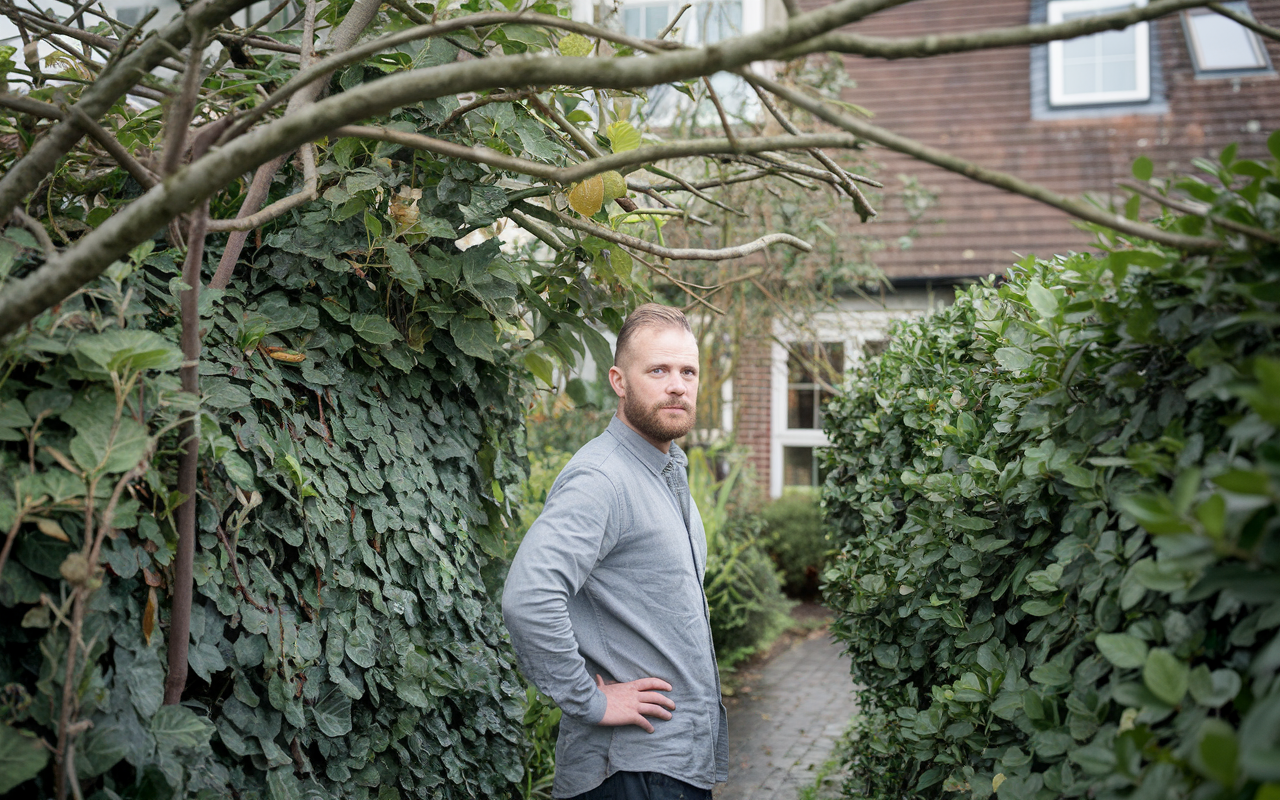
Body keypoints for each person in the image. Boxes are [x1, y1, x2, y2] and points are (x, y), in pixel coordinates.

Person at [503, 303, 727, 800]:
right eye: (658, 370)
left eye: (688, 371)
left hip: (670, 766)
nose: (677, 385)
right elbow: (529, 596)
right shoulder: (602, 478)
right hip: (629, 772)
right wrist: (591, 701)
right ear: (619, 381)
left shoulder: (667, 470)